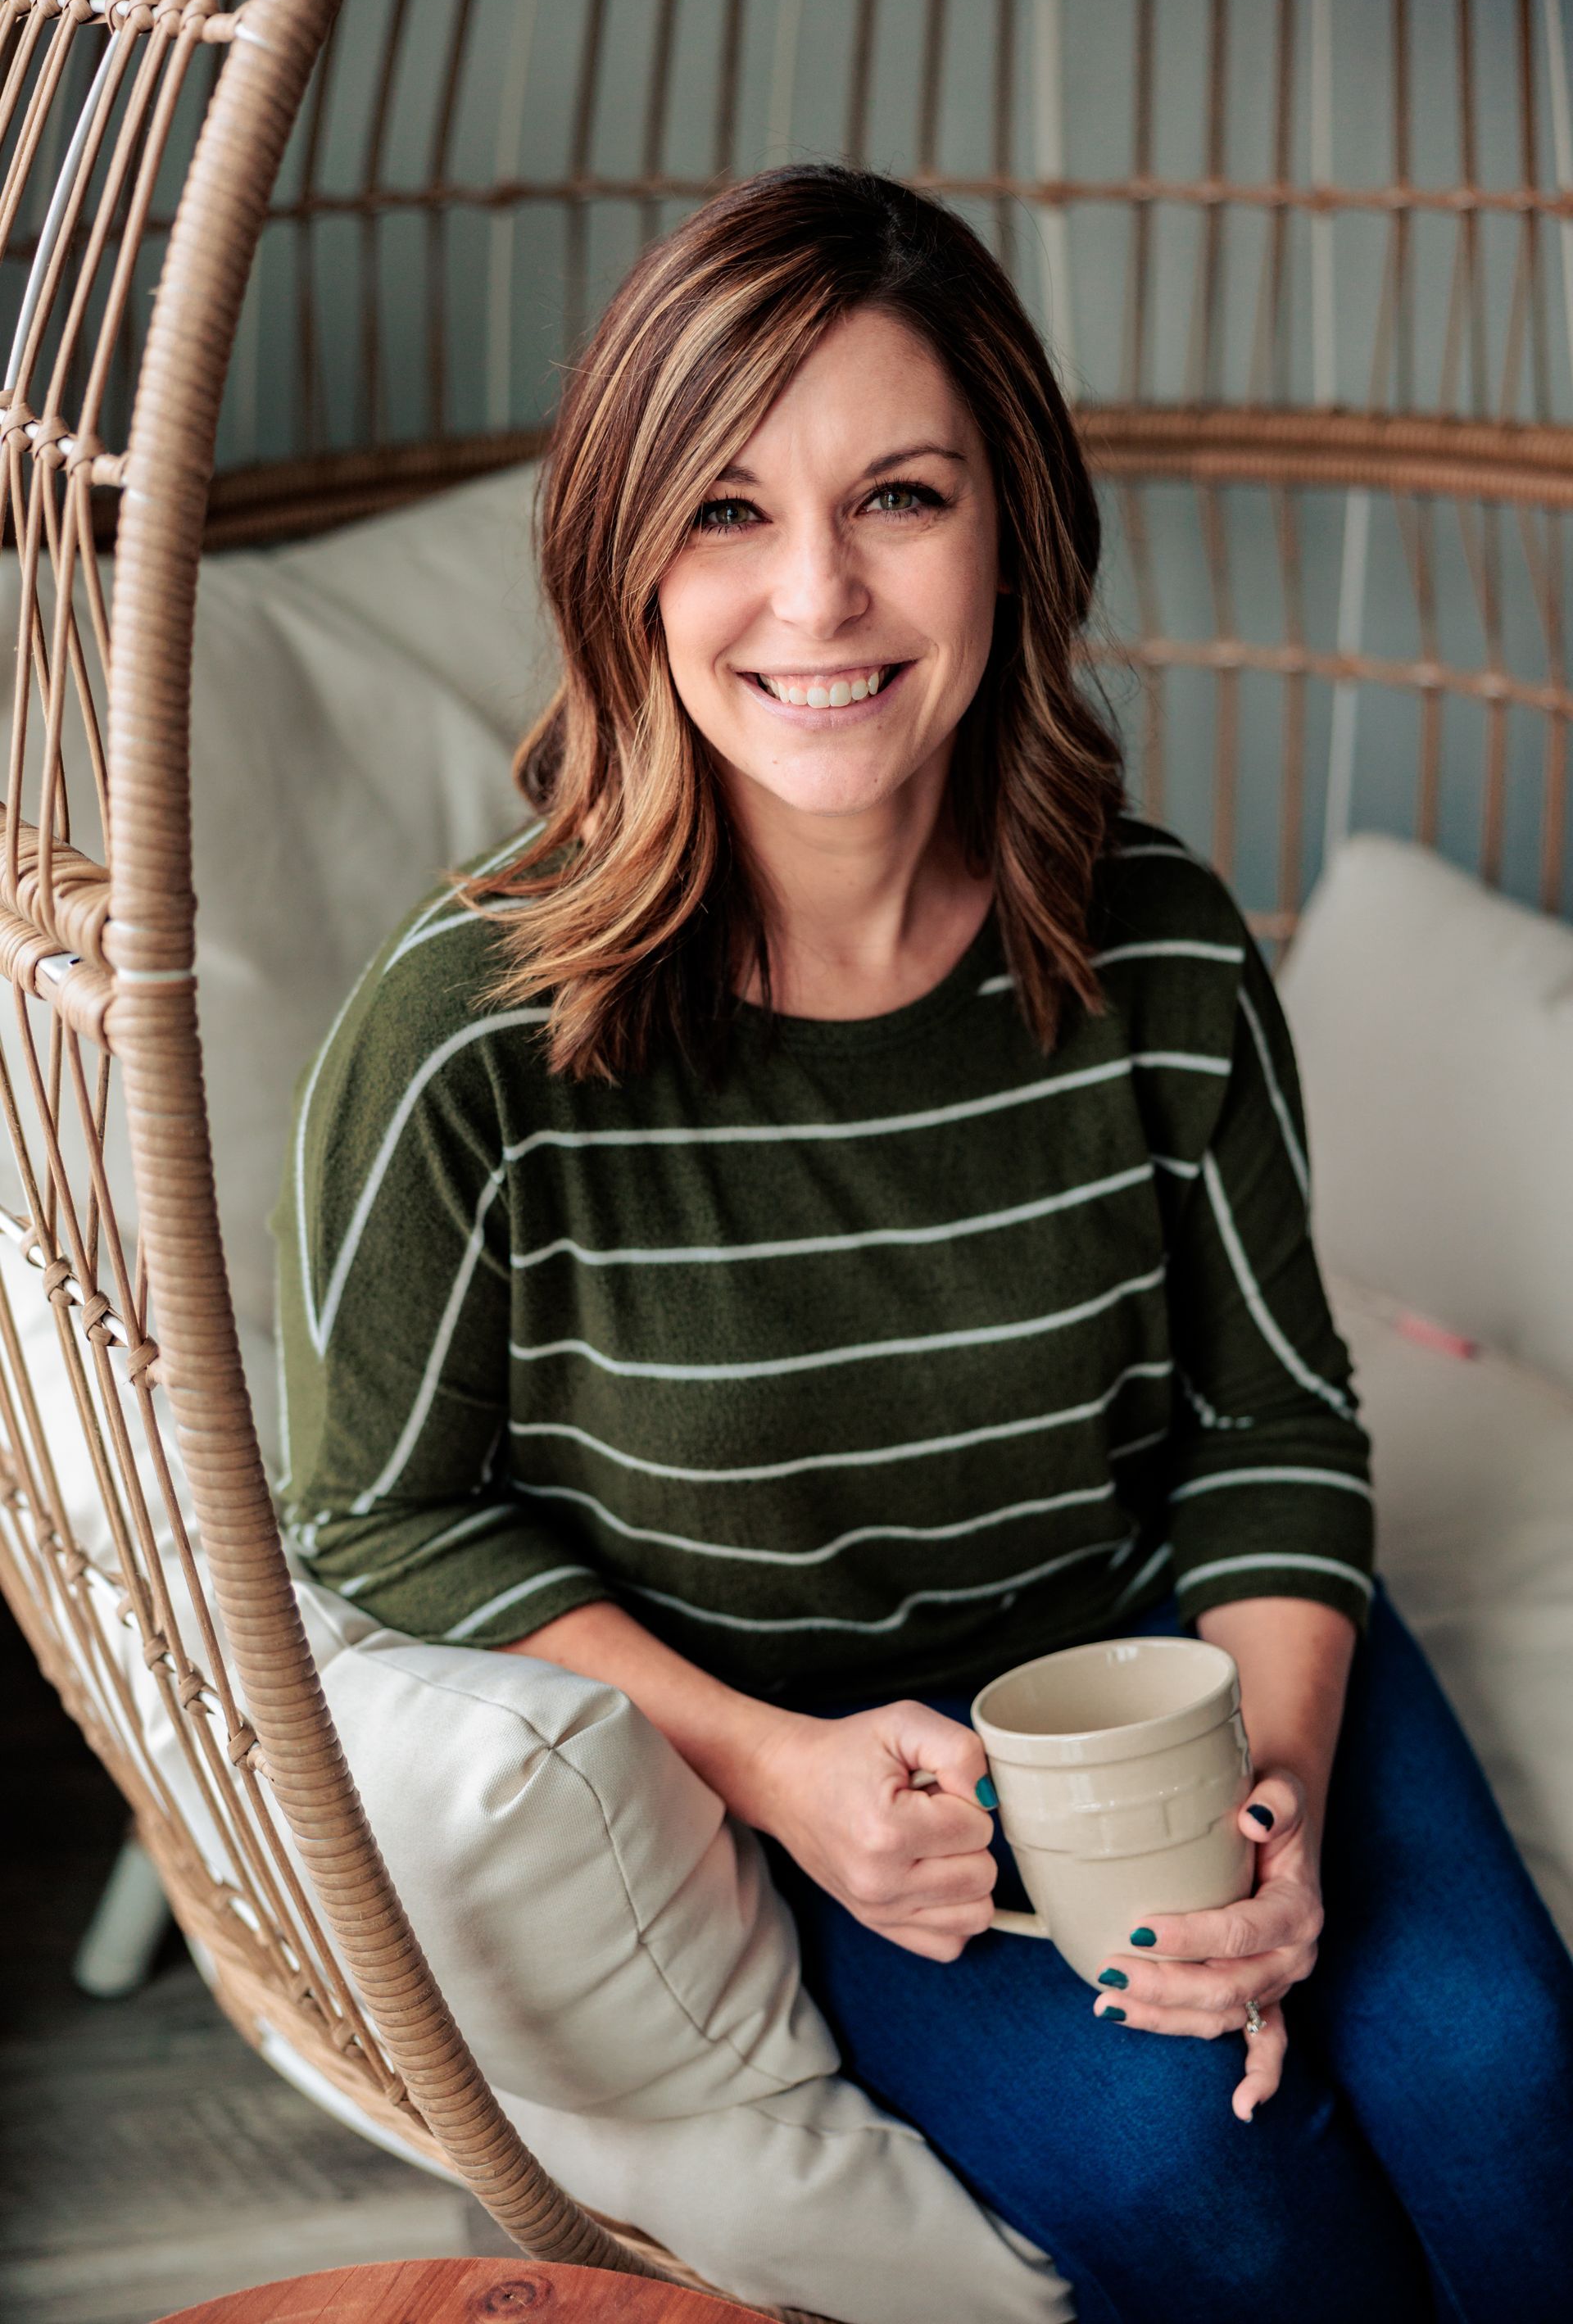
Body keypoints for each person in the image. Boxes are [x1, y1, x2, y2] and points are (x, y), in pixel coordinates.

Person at [274, 165, 1573, 2323]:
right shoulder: (464, 1044)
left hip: (1184, 1651)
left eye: (898, 495)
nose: (818, 599)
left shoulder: (1158, 949)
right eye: (722, 509)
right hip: (870, 1761)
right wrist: (772, 1769)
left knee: (1514, 2097)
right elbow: (378, 1514)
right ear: (620, 558)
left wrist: (1277, 1810)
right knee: (1220, 2203)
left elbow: (1270, 1422)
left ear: (1012, 533)